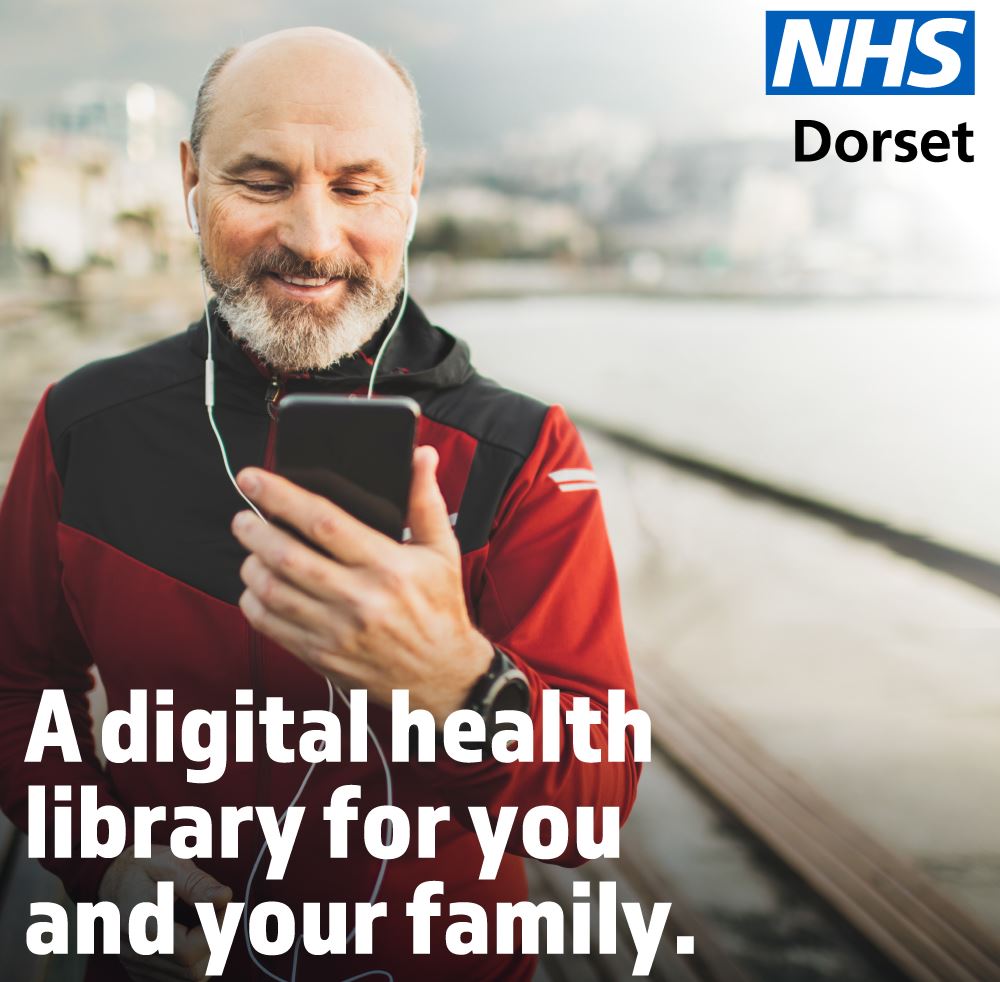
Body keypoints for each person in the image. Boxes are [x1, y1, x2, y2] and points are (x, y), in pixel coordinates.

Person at [0, 27, 640, 982]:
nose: (310, 237)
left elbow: (589, 812)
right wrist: (101, 860)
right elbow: (16, 687)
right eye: (261, 182)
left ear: (412, 187)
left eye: (356, 186)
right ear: (191, 178)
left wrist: (463, 684)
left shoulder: (525, 455)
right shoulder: (82, 425)